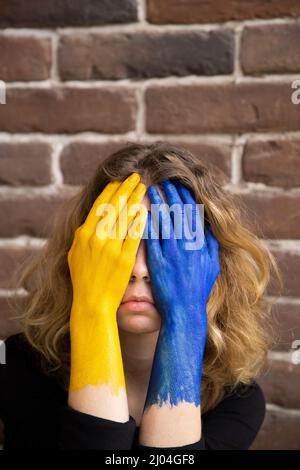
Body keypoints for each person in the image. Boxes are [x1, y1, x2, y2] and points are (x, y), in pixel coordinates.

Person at [0, 141, 280, 449]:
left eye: (166, 241)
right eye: (122, 238)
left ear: (212, 264)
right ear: (80, 252)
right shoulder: (19, 368)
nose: (140, 268)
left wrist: (185, 318)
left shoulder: (237, 400)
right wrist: (92, 307)